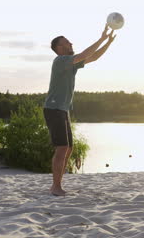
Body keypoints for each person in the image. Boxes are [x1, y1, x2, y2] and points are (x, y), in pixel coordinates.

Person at [44, 24, 116, 196]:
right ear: (60, 48)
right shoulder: (60, 61)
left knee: (68, 148)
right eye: (68, 43)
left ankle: (58, 185)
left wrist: (108, 43)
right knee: (62, 148)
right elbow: (84, 54)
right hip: (53, 108)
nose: (71, 44)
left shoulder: (70, 64)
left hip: (62, 110)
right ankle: (55, 187)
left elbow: (94, 57)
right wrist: (101, 38)